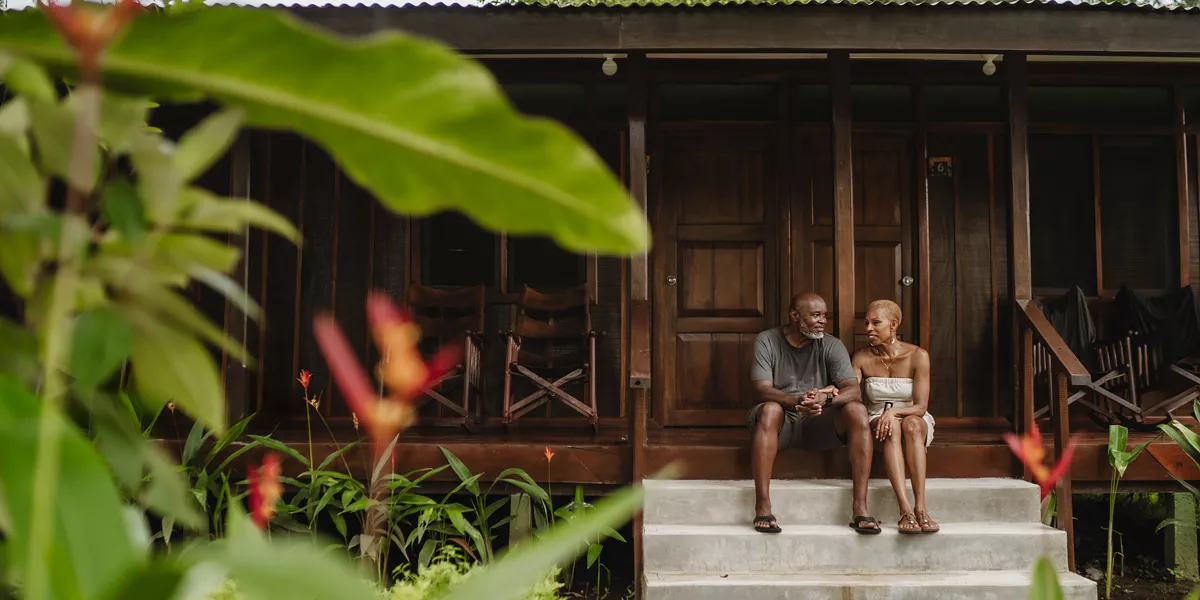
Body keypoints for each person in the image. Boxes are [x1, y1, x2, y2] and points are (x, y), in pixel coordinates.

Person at [747, 292, 877, 535]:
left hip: (818, 420)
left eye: (824, 316)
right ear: (795, 316)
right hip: (781, 422)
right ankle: (762, 504)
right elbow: (761, 388)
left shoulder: (830, 344)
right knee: (770, 409)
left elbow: (853, 389)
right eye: (816, 315)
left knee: (857, 410)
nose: (822, 321)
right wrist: (795, 400)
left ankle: (859, 506)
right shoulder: (767, 340)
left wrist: (825, 398)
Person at [851, 299, 939, 534]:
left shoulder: (918, 356)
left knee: (910, 425)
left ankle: (921, 507)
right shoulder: (861, 357)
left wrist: (894, 412)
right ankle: (904, 509)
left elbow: (920, 406)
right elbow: (850, 388)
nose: (868, 328)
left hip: (912, 415)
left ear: (894, 324)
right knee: (889, 426)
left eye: (875, 322)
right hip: (877, 418)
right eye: (866, 322)